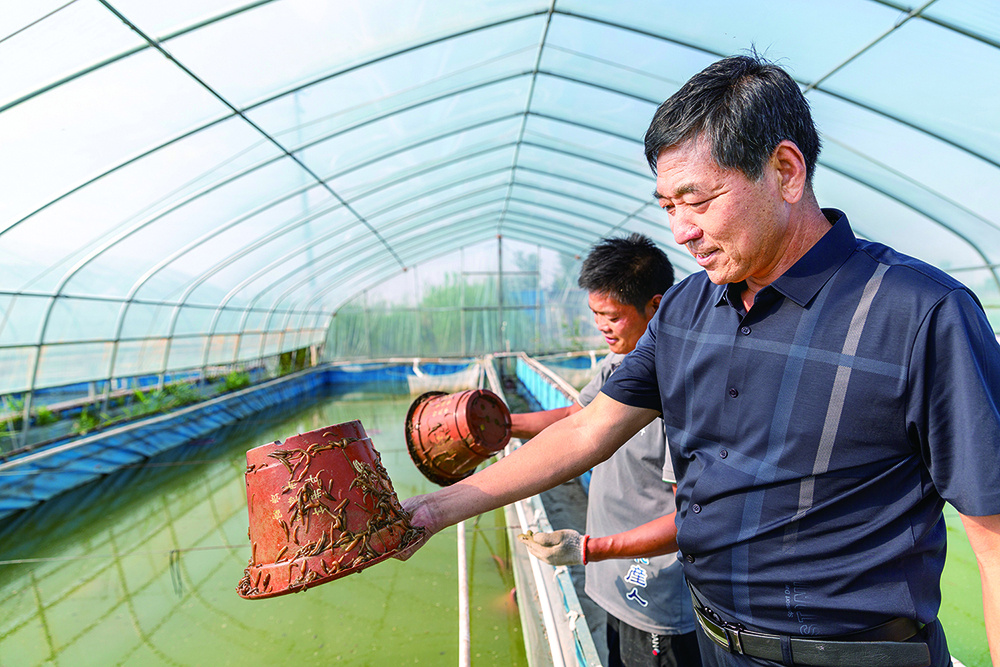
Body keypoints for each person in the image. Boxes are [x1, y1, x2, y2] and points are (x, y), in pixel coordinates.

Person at [399, 53, 1000, 667]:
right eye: (667, 207)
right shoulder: (687, 308)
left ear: (785, 172)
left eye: (698, 200)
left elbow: (994, 539)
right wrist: (433, 511)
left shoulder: (920, 314)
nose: (682, 230)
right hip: (712, 642)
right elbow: (589, 428)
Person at [512, 233, 701, 667]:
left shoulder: (679, 397)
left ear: (655, 308)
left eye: (611, 316)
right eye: (595, 314)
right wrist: (505, 427)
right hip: (615, 581)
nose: (601, 325)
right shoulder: (616, 365)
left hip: (654, 592)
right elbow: (577, 420)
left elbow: (690, 519)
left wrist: (589, 549)